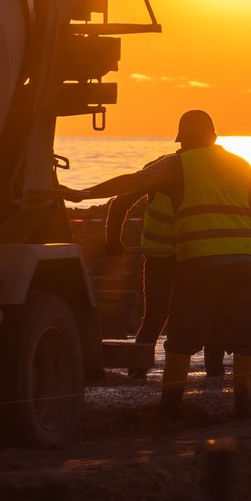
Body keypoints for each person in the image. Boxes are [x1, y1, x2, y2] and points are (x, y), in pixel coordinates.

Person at [67, 110, 251, 418]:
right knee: (244, 335)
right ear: (214, 136)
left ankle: (169, 407)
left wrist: (85, 193)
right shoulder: (243, 165)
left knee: (180, 334)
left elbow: (131, 182)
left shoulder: (178, 164)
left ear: (186, 138)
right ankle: (243, 405)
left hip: (200, 262)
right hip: (241, 264)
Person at [101, 159, 178, 379]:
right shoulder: (164, 172)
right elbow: (120, 202)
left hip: (170, 256)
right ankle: (142, 369)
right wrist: (113, 239)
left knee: (156, 316)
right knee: (161, 316)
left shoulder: (160, 170)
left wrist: (113, 240)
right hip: (174, 256)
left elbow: (119, 203)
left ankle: (140, 370)